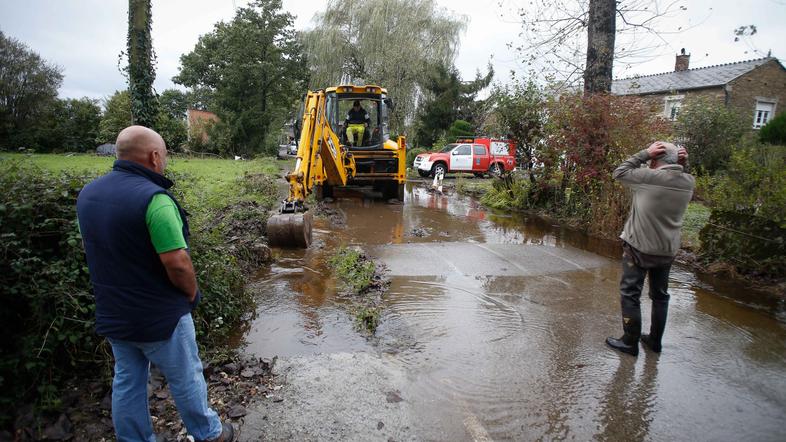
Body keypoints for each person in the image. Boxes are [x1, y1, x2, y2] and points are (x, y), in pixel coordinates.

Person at [76, 126, 234, 442]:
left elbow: (96, 249)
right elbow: (177, 262)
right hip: (159, 314)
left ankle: (134, 438)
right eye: (164, 155)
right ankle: (209, 434)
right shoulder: (155, 200)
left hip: (115, 313)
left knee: (127, 380)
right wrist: (190, 293)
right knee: (186, 376)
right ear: (154, 156)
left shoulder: (88, 195)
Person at [605, 141, 695, 357]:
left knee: (630, 294)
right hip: (667, 250)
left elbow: (619, 172)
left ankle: (630, 342)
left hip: (639, 247)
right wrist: (684, 163)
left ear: (655, 160)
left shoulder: (649, 178)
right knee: (661, 296)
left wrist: (644, 152)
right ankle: (655, 341)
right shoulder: (688, 181)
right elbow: (679, 174)